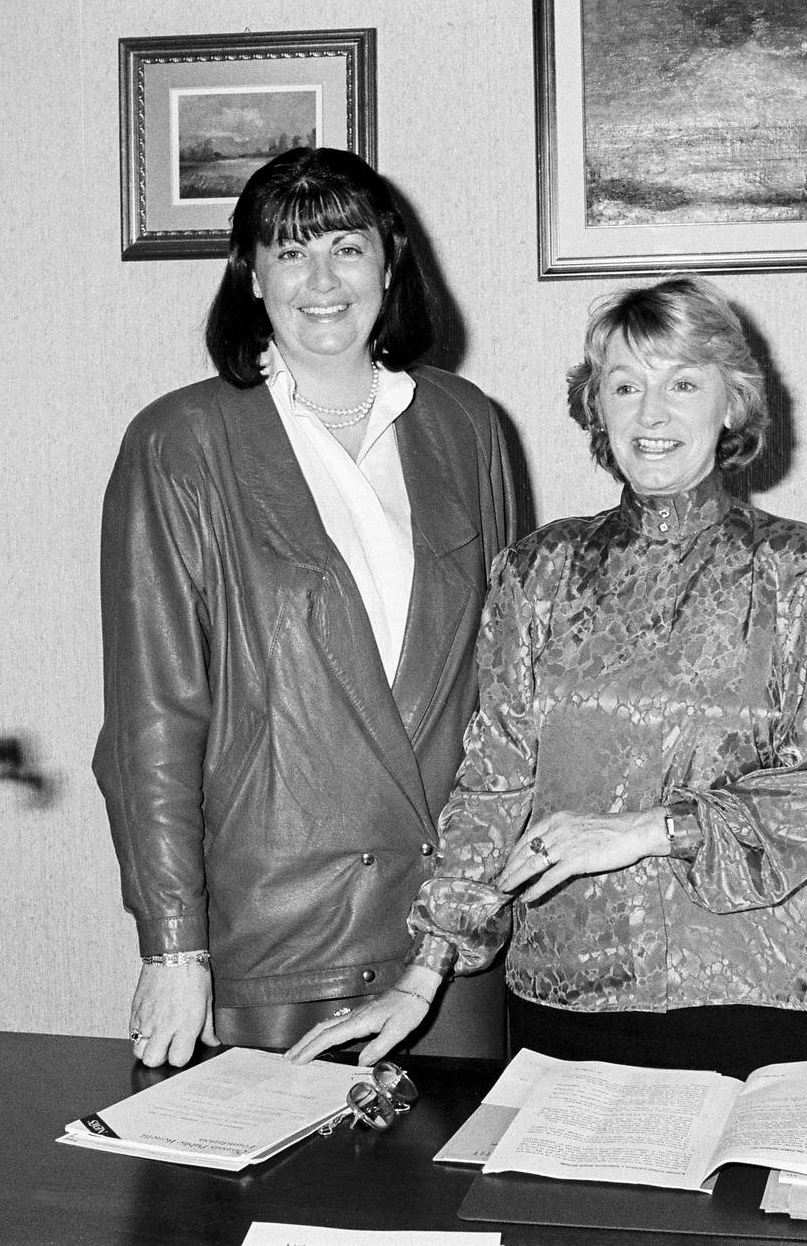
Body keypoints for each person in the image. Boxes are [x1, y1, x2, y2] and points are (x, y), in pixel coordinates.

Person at [290, 276, 807, 1078]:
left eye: (683, 383)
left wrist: (646, 830)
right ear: (596, 408)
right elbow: (495, 781)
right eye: (626, 386)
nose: (652, 414)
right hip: (564, 992)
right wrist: (426, 966)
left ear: (732, 403)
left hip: (750, 992)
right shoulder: (539, 572)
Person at [94, 148, 518, 1068]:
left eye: (346, 247)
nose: (322, 279)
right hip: (278, 930)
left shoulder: (466, 424)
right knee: (271, 1207)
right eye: (289, 253)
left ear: (389, 263)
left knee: (452, 1204)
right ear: (250, 275)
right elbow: (151, 717)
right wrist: (174, 941)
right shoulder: (179, 442)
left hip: (443, 935)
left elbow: (507, 691)